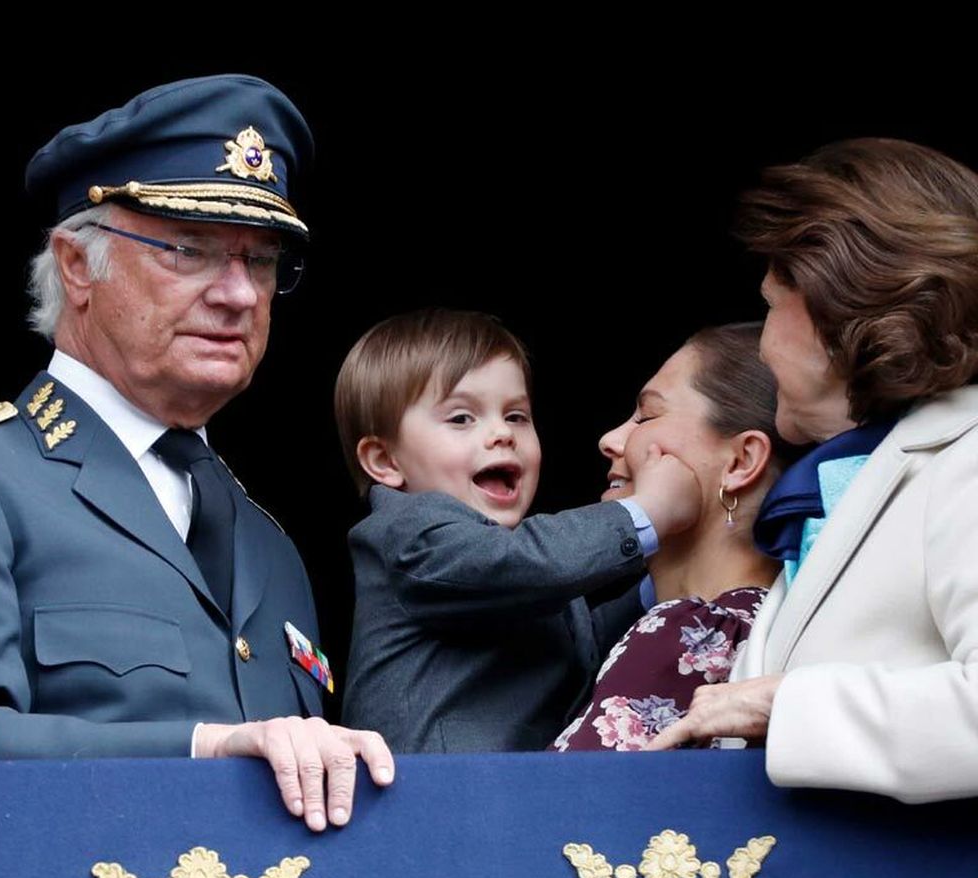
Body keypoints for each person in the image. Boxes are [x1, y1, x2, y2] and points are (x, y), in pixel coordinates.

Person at [0, 75, 392, 832]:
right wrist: (206, 749)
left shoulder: (269, 543)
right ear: (75, 264)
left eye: (260, 261)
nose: (238, 294)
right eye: (191, 250)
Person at [649, 139, 978, 804]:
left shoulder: (967, 458)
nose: (763, 345)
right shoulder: (852, 479)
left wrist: (784, 706)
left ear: (838, 309)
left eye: (772, 307)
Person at [334, 309, 699, 752]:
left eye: (516, 416)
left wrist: (661, 585)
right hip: (429, 805)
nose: (500, 434)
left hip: (506, 802)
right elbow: (526, 563)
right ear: (385, 462)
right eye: (461, 419)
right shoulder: (408, 533)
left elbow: (579, 646)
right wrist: (647, 513)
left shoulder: (521, 572)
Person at [553, 323, 796, 750]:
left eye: (647, 416)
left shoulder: (688, 631)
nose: (609, 440)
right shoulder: (779, 628)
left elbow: (566, 806)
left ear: (741, 461)